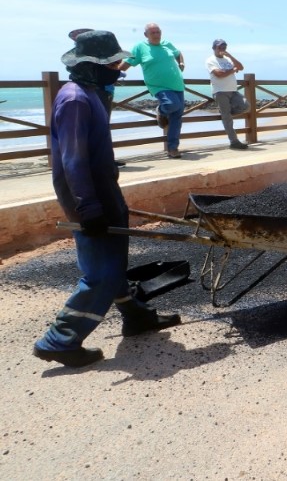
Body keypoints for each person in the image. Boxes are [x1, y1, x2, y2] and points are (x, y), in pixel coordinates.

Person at [33, 30, 181, 368]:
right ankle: (59, 339)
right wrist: (89, 207)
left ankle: (136, 316)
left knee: (114, 257)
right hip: (89, 197)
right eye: (113, 64)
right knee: (100, 271)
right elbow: (72, 160)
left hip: (102, 190)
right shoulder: (74, 99)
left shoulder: (90, 94)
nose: (120, 69)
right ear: (90, 66)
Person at [120, 23, 186, 158]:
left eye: (158, 32)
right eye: (153, 33)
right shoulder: (140, 47)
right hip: (158, 86)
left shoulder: (167, 44)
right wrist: (111, 74)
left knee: (176, 118)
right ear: (146, 35)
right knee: (171, 105)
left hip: (177, 84)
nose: (156, 35)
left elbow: (178, 54)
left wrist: (181, 63)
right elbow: (126, 64)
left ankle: (173, 148)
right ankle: (160, 111)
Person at [70, 28, 127, 166]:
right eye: (112, 64)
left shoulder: (97, 51)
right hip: (97, 89)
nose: (116, 67)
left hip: (105, 89)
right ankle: (98, 159)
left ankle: (106, 158)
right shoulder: (75, 97)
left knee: (103, 125)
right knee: (96, 126)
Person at [205, 39, 249, 150]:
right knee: (227, 118)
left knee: (246, 106)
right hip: (220, 92)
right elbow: (219, 74)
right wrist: (234, 70)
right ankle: (234, 141)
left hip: (233, 90)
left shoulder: (228, 59)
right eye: (220, 47)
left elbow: (241, 67)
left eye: (224, 47)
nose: (222, 49)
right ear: (214, 48)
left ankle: (226, 113)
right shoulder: (210, 60)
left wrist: (229, 55)